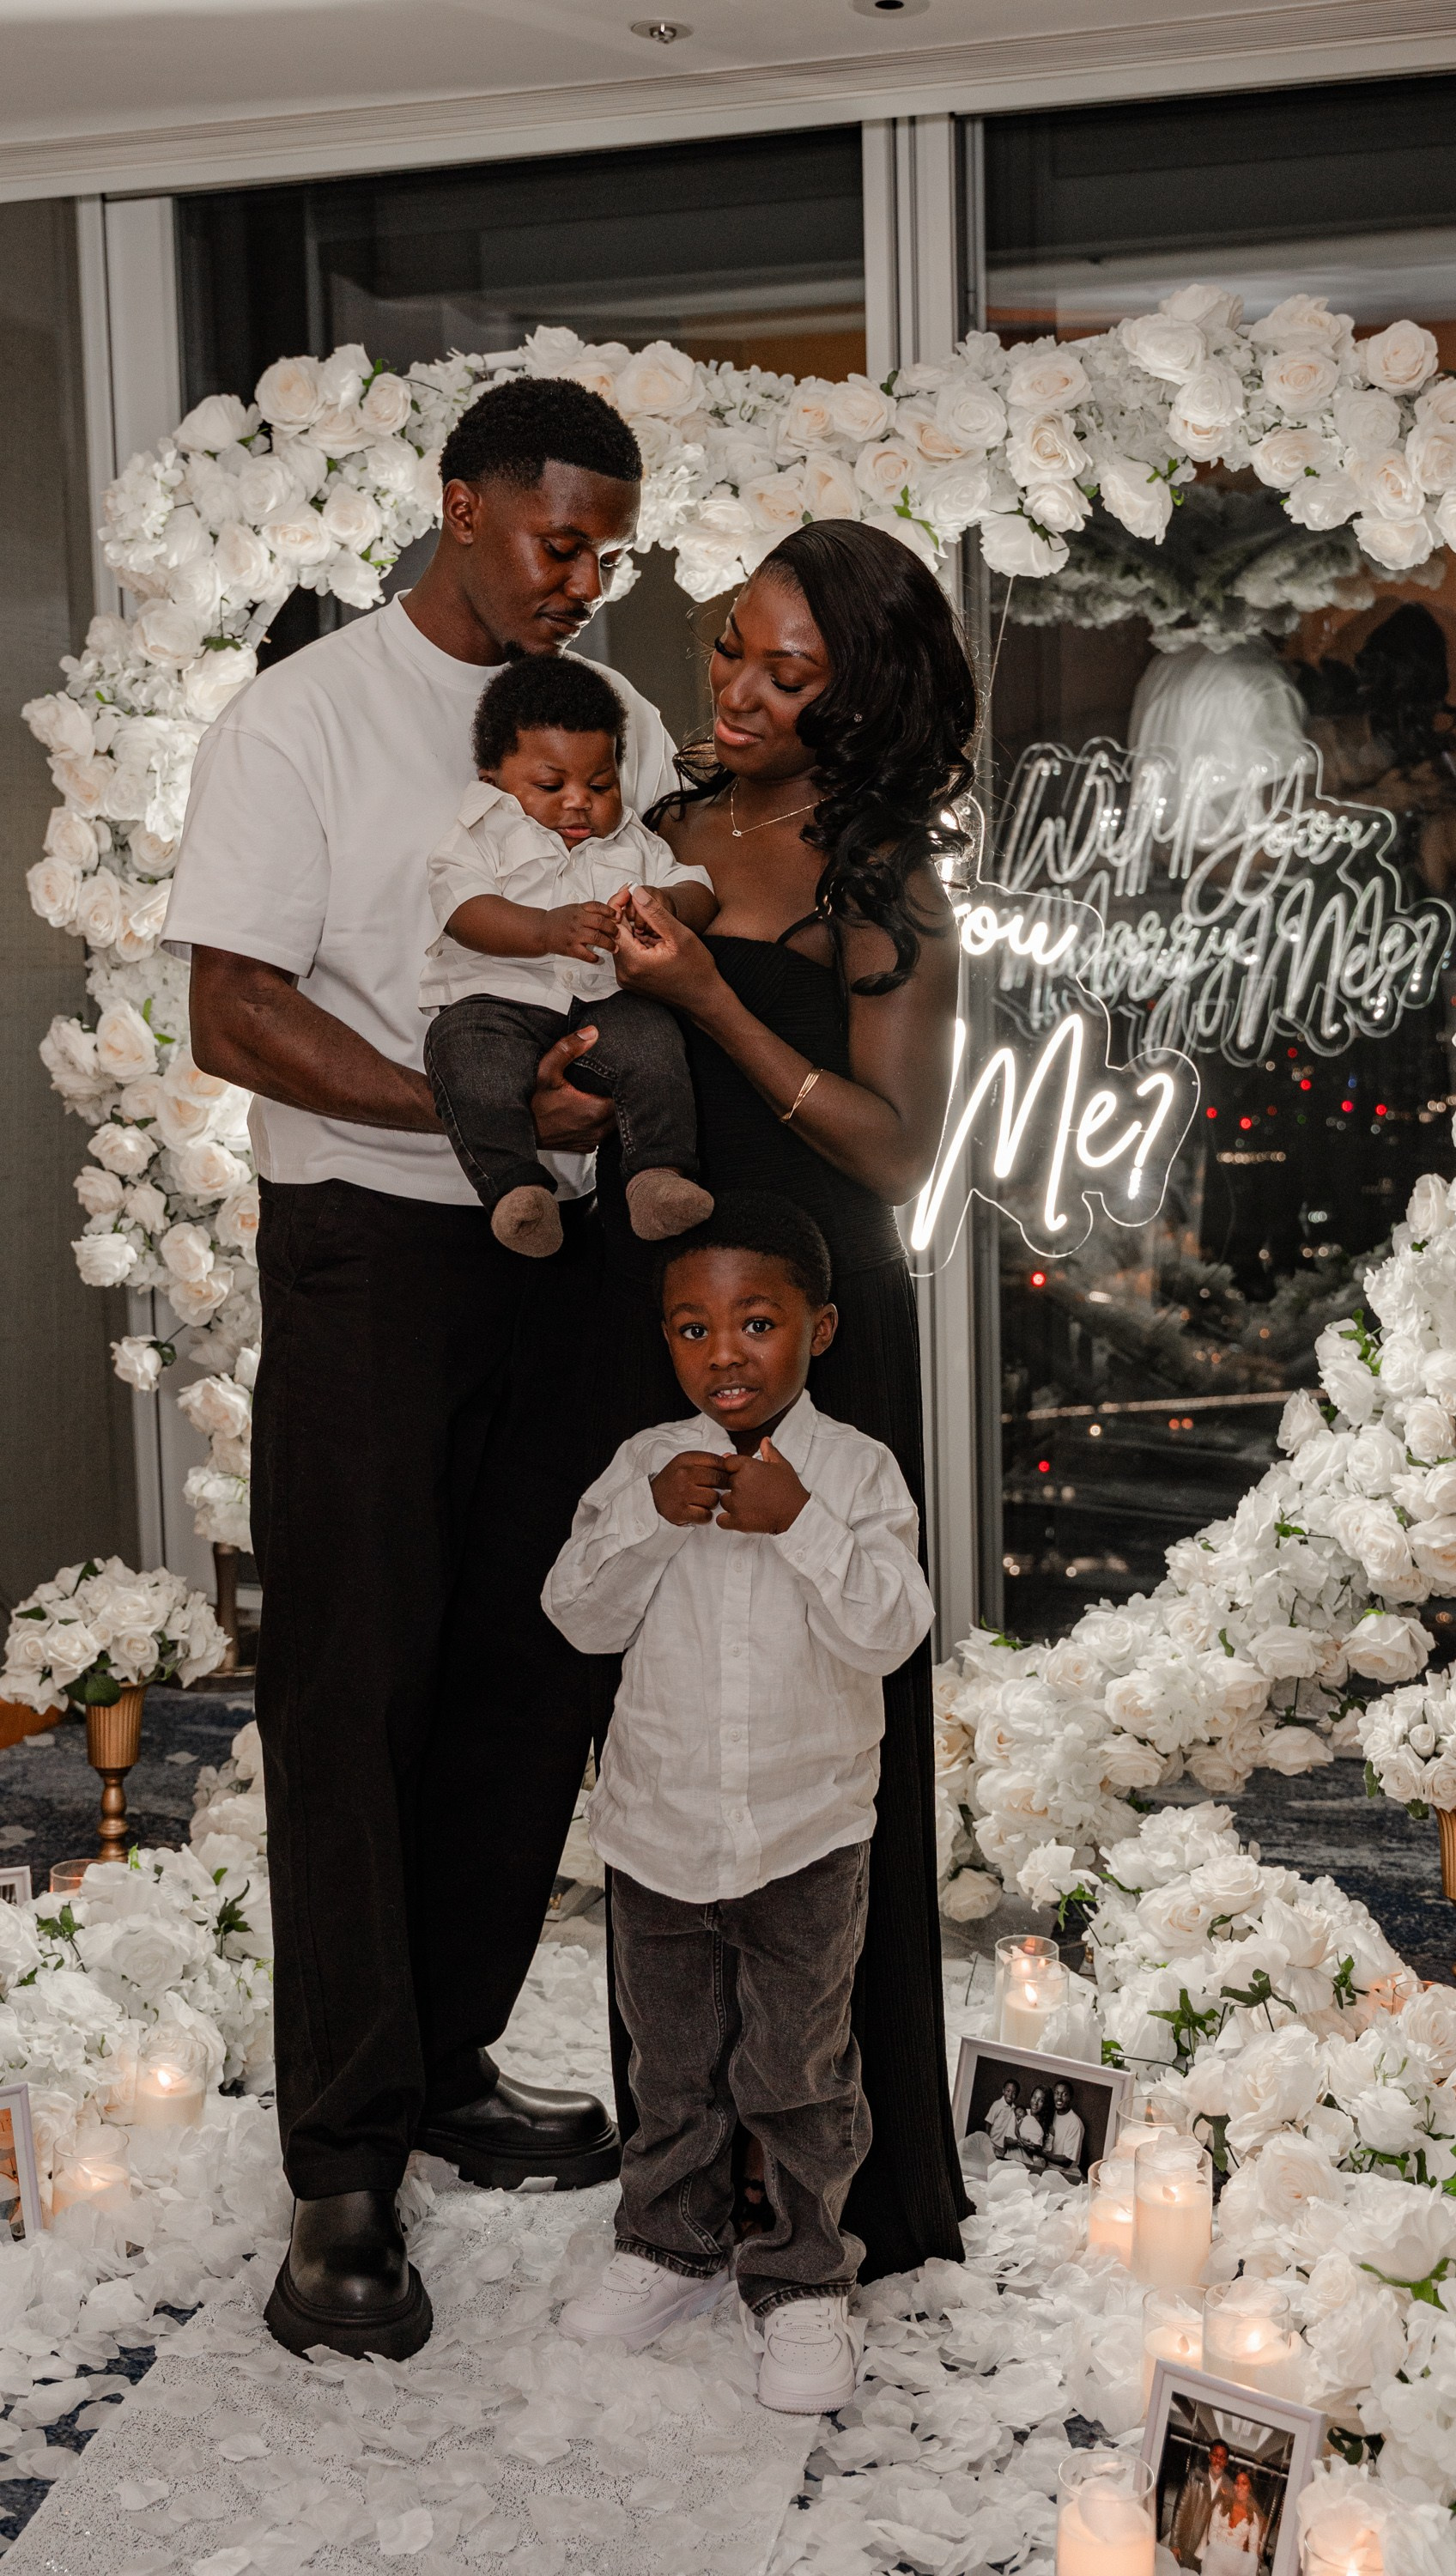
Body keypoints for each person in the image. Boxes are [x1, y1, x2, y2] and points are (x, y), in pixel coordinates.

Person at [166, 376, 680, 2361]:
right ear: (457, 506)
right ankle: (342, 2172)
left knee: (526, 1665)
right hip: (372, 1252)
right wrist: (448, 1117)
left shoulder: (608, 719)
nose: (584, 578)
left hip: (562, 1257)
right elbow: (230, 1007)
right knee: (357, 1685)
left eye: (608, 550)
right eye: (558, 539)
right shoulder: (296, 724)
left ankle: (448, 2050)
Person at [592, 517, 977, 2281]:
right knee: (668, 1721)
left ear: (860, 697)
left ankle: (839, 2173)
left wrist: (708, 1005)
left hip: (818, 1321)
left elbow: (895, 1152)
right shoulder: (646, 825)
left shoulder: (882, 875)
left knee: (825, 1727)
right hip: (648, 1314)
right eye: (729, 647)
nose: (733, 690)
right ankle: (682, 2159)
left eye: (785, 672)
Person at [543, 1194, 933, 2412]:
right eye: (693, 1328)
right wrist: (655, 1523)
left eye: (755, 1324)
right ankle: (667, 2245)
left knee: (800, 2072)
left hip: (806, 1833)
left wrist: (800, 1526)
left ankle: (804, 2280)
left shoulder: (855, 1473)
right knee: (673, 2068)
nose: (724, 1354)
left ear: (817, 1331)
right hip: (659, 1832)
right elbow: (576, 1614)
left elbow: (889, 1631)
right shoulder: (638, 1469)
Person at [421, 656, 718, 1255]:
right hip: (501, 1001)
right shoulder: (482, 832)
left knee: (657, 1042)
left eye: (600, 785)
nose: (579, 802)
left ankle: (656, 1176)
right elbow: (464, 909)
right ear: (495, 779)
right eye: (551, 786)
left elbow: (702, 891)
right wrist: (544, 930)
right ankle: (514, 1189)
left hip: (605, 1004)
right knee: (463, 1055)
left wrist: (668, 902)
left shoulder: (632, 839)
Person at [1171, 2439, 1235, 2569]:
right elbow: (1180, 2510)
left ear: (1226, 2462)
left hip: (1210, 2553)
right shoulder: (1194, 2476)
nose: (1218, 2460)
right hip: (1188, 2544)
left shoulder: (1229, 2487)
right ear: (1210, 2456)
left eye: (1222, 2458)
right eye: (1216, 2455)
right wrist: (1175, 2543)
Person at [1199, 2468, 1265, 2573]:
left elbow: (1252, 2551)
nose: (1239, 2487)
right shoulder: (1221, 2506)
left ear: (1250, 2487)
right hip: (1214, 2561)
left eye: (1244, 2483)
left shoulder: (1253, 2517)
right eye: (1237, 2483)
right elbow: (1212, 2534)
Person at [1044, 2080, 1086, 2178]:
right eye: (1057, 2093)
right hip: (1050, 2169)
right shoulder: (1050, 2114)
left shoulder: (1075, 2123)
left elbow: (1066, 2161)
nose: (1059, 2098)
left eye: (1064, 2094)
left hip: (1067, 2174)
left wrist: (1041, 2153)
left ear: (1070, 2097)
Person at [985, 2079, 1022, 2155]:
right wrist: (987, 2140)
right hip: (992, 2143)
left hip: (1002, 2147)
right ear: (1003, 2091)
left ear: (1017, 2096)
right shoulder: (997, 2104)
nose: (1010, 2095)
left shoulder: (1014, 2109)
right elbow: (988, 2122)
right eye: (1008, 2091)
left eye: (1014, 2093)